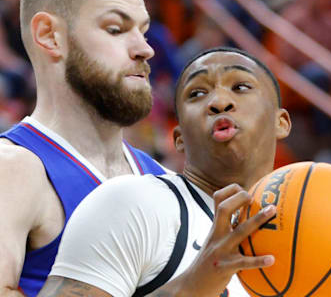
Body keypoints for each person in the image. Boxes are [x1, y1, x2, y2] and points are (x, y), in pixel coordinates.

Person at [39, 46, 292, 296]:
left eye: (240, 87)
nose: (219, 102)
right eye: (197, 93)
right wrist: (192, 288)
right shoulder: (135, 204)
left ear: (280, 122)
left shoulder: (316, 233)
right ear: (179, 138)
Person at [0, 0, 175, 297]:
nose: (144, 48)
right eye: (116, 28)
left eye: (143, 31)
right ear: (50, 36)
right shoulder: (14, 169)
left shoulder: (165, 181)